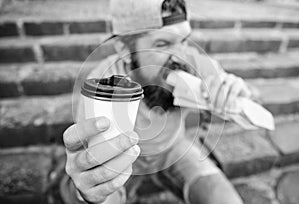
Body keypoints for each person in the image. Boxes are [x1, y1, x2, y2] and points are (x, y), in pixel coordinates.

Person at [61, 0, 253, 203]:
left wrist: (237, 96)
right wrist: (90, 191)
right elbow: (96, 165)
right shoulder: (102, 86)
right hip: (121, 157)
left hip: (173, 148)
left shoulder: (195, 63)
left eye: (184, 40)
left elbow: (247, 103)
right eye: (163, 44)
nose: (180, 57)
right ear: (125, 50)